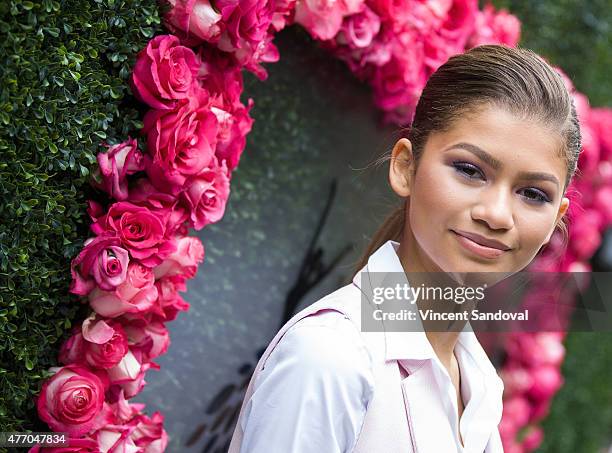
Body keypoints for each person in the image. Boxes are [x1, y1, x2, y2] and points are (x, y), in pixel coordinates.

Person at [228, 44, 581, 453]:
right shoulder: (330, 355)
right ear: (404, 167)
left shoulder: (479, 383)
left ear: (557, 218)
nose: (498, 214)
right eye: (469, 170)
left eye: (533, 193)